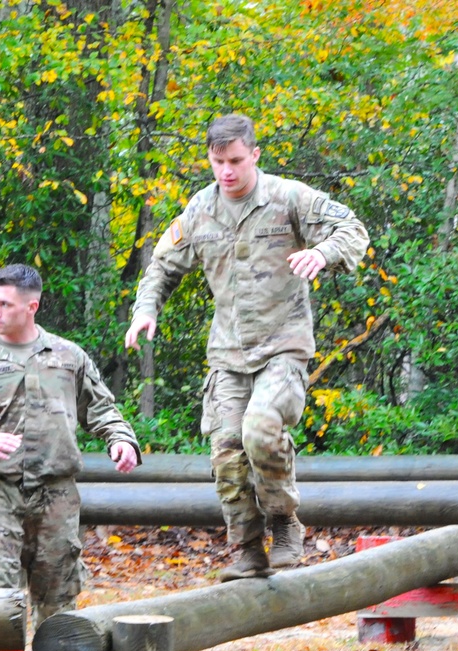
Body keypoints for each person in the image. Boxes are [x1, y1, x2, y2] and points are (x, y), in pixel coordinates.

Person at [124, 113, 370, 581]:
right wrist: (145, 310)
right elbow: (161, 267)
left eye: (236, 160)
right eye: (218, 162)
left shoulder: (288, 197)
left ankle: (283, 519)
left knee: (260, 429)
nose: (227, 171)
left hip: (283, 347)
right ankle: (246, 549)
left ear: (254, 155)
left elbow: (352, 230)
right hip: (228, 355)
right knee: (226, 452)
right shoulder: (201, 209)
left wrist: (321, 252)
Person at [0, 263, 141, 630]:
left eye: (5, 304)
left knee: (59, 603)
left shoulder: (67, 357)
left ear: (32, 307)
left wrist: (121, 440)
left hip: (56, 497)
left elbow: (100, 407)